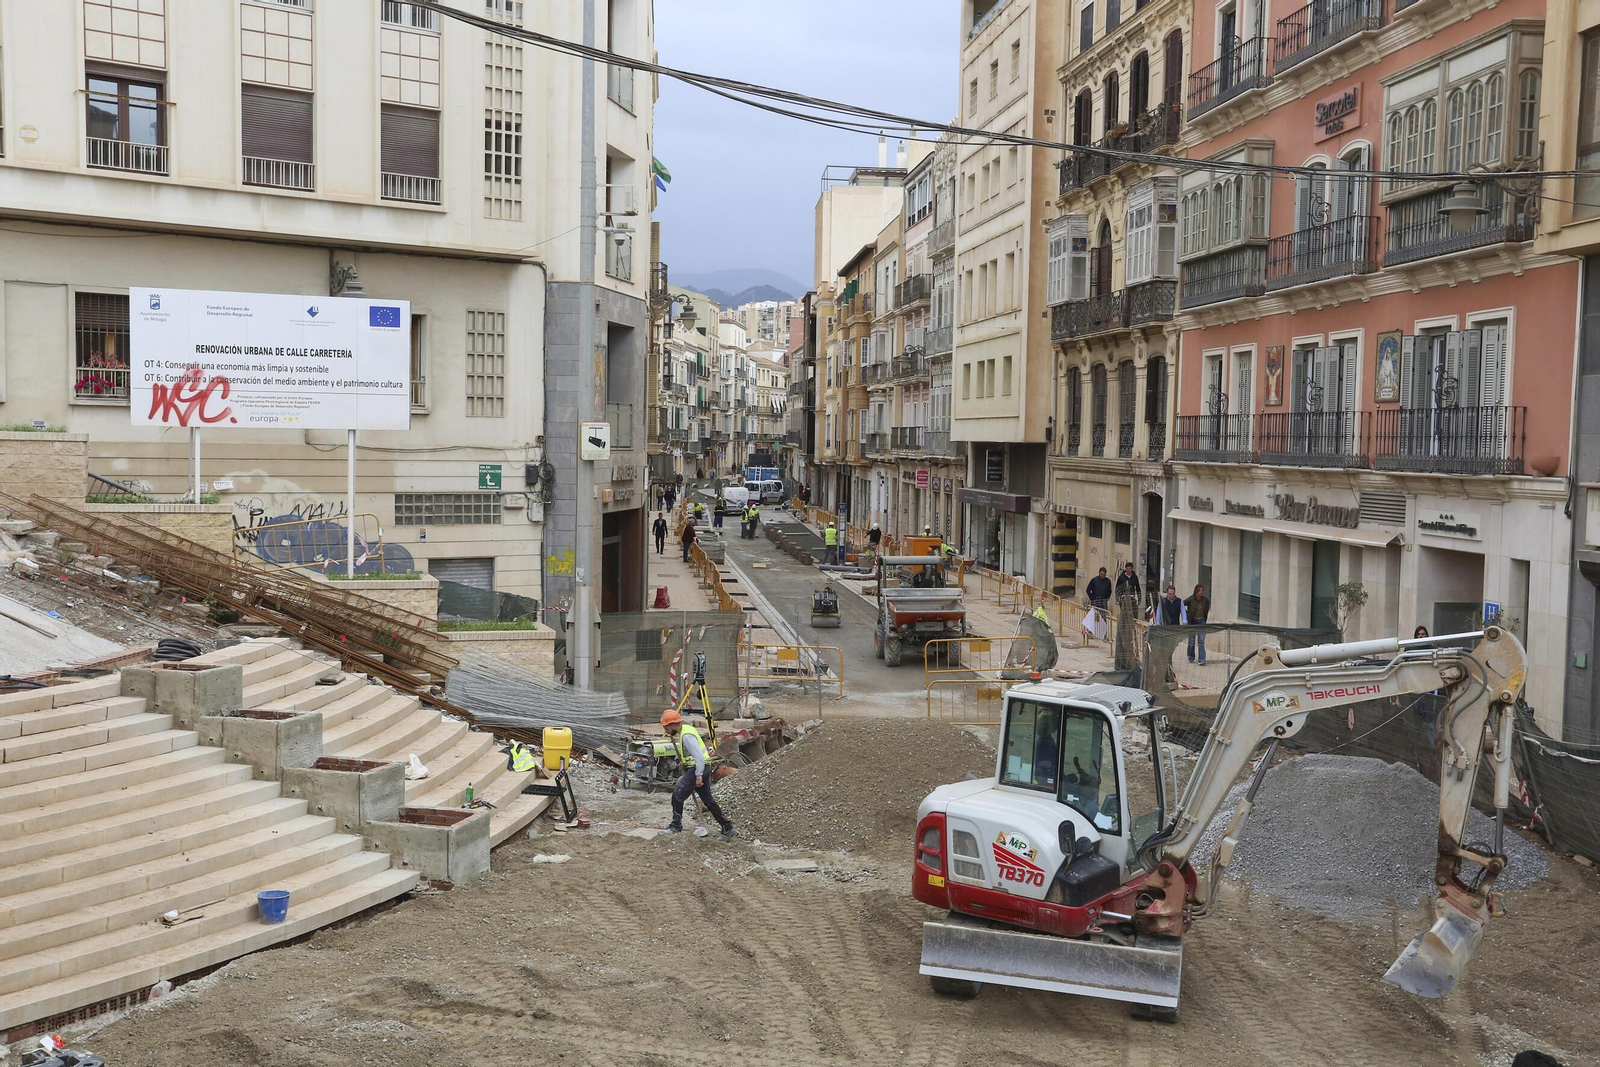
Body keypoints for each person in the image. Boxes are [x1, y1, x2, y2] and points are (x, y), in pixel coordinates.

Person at [660, 709, 735, 840]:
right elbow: (693, 755)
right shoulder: (687, 729)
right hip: (701, 767)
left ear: (672, 725)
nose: (665, 731)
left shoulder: (687, 736)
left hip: (697, 768)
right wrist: (684, 763)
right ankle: (727, 828)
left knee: (677, 795)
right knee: (708, 800)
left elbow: (699, 757)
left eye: (665, 728)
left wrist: (699, 776)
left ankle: (675, 826)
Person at [1184, 583, 1211, 664]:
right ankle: (1191, 656)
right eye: (1199, 591)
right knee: (1191, 640)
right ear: (1196, 591)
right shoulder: (1191, 599)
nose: (1201, 592)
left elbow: (1206, 610)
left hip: (1202, 621)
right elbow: (1181, 604)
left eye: (1202, 591)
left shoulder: (1206, 600)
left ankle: (1201, 659)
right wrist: (1186, 614)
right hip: (1192, 621)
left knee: (1201, 640)